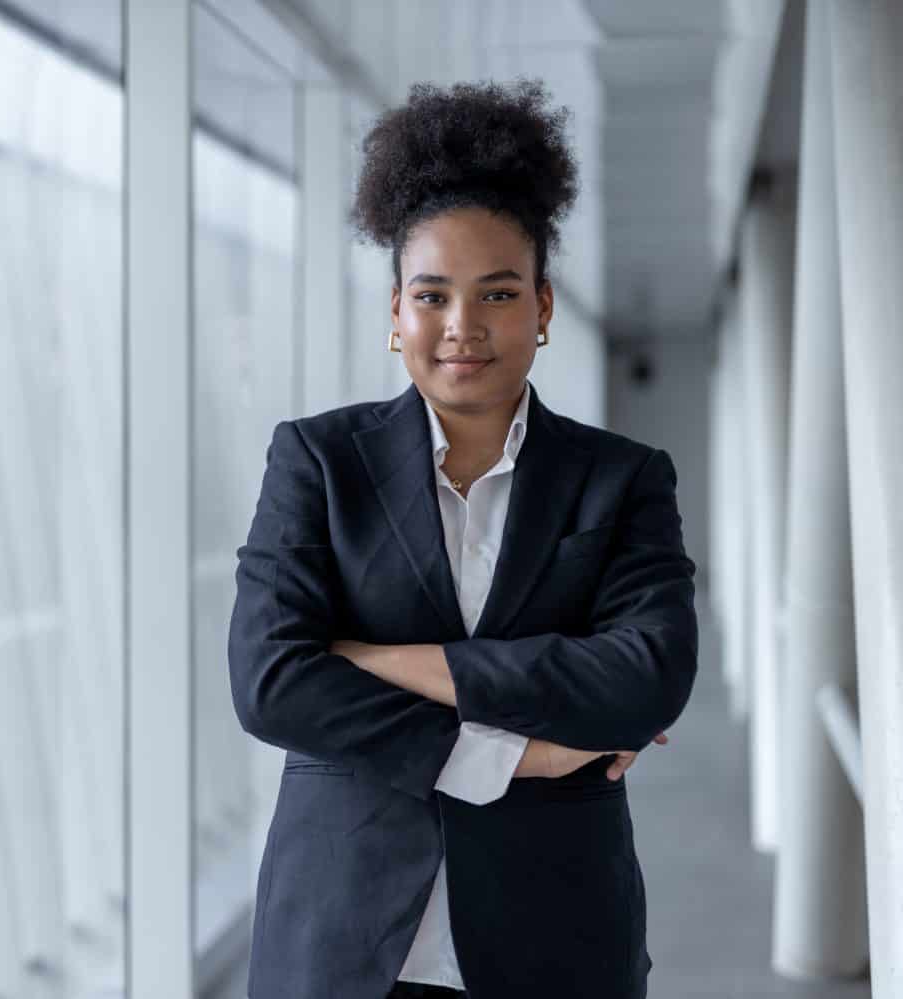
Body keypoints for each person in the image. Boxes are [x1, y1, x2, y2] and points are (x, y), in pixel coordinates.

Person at [227, 78, 698, 999]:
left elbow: (647, 678)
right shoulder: (317, 462)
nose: (462, 328)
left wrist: (376, 658)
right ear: (395, 311)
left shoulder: (623, 477)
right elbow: (272, 682)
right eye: (433, 294)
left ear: (544, 308)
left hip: (555, 936)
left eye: (497, 293)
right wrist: (519, 751)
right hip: (344, 939)